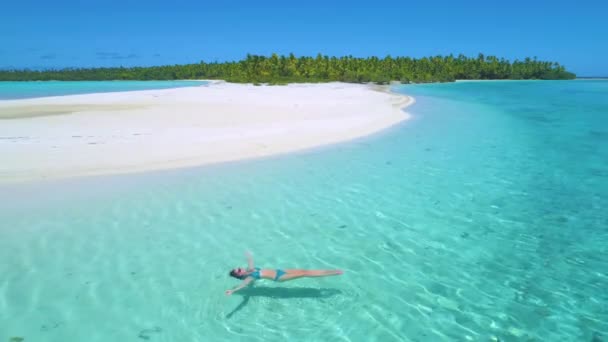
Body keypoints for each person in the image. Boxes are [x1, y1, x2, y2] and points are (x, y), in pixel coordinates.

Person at [225, 251, 343, 296]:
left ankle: (331, 270)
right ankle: (334, 273)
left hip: (280, 270)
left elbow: (250, 259)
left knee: (304, 270)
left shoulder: (249, 269)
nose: (240, 268)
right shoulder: (249, 277)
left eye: (238, 268)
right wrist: (233, 291)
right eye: (239, 270)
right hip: (279, 276)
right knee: (305, 274)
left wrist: (248, 254)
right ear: (240, 275)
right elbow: (244, 285)